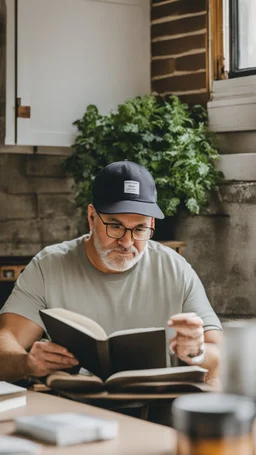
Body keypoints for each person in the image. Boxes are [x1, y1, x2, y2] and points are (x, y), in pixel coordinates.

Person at [0, 160, 222, 386]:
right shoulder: (48, 267)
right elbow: (5, 343)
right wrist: (27, 363)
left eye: (140, 229)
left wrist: (198, 354)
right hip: (77, 406)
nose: (127, 242)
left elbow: (219, 354)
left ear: (151, 223)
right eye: (115, 226)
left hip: (160, 406)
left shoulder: (176, 269)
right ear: (92, 218)